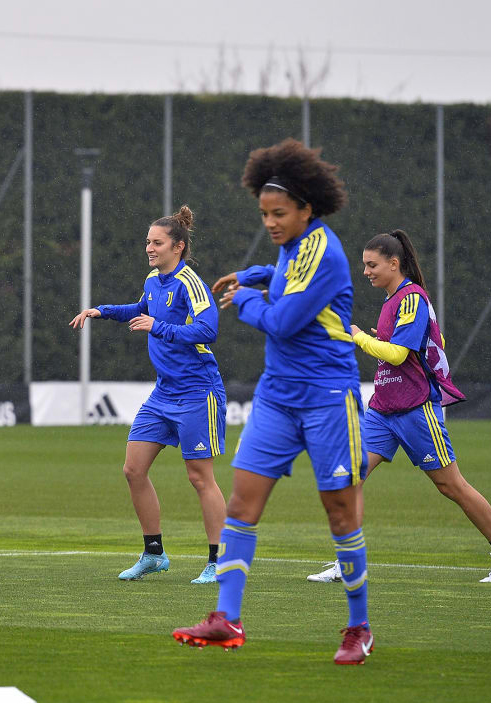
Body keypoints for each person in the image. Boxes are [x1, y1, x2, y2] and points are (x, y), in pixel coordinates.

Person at [171, 139, 374, 665]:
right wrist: (256, 274)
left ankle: (358, 627)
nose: (270, 222)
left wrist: (245, 299)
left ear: (307, 208)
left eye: (279, 213)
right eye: (263, 213)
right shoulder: (292, 245)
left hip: (329, 399)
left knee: (340, 513)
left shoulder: (325, 251)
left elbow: (282, 321)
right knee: (241, 504)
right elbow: (282, 269)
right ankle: (226, 620)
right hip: (278, 397)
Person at [302, 230, 491, 584]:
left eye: (372, 265)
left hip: (415, 408)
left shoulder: (411, 298)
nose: (366, 271)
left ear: (393, 263)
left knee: (452, 486)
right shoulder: (392, 302)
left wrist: (361, 337)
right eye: (364, 265)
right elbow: (432, 340)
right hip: (383, 409)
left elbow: (400, 354)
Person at [70, 206, 227, 584]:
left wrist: (160, 327)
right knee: (133, 469)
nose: (149, 248)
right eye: (147, 242)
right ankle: (154, 554)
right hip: (164, 393)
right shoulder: (153, 281)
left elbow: (208, 330)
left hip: (197, 391)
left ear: (178, 246)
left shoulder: (190, 283)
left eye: (157, 243)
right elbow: (141, 309)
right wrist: (102, 311)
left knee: (199, 477)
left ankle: (220, 561)